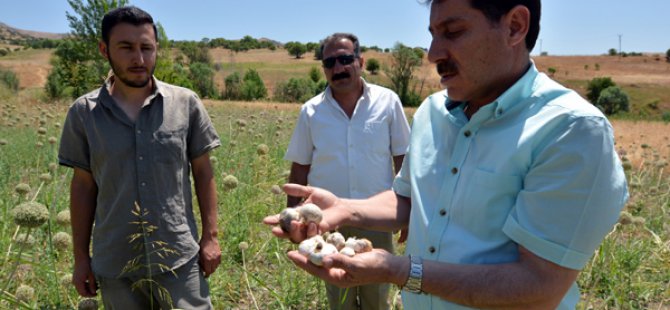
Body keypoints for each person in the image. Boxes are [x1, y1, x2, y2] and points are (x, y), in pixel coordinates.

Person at [265, 0, 628, 309]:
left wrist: (400, 271)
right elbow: (410, 199)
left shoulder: (569, 130)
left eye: (452, 32)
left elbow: (540, 286)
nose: (433, 53)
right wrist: (346, 208)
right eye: (433, 34)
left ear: (515, 27)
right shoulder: (432, 112)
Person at [58, 6, 220, 309]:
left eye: (146, 47)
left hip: (178, 257)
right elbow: (82, 187)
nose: (139, 59)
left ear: (156, 48)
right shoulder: (83, 113)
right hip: (116, 263)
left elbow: (203, 172)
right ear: (104, 50)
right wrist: (81, 258)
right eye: (127, 48)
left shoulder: (185, 104)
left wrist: (210, 238)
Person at [284, 32, 411, 310]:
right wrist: (293, 220)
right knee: (338, 298)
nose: (338, 68)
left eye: (345, 59)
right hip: (329, 222)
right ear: (324, 69)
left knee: (377, 297)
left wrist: (407, 212)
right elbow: (299, 170)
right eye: (330, 63)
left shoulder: (387, 102)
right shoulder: (311, 111)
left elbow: (403, 159)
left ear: (360, 61)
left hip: (377, 219)